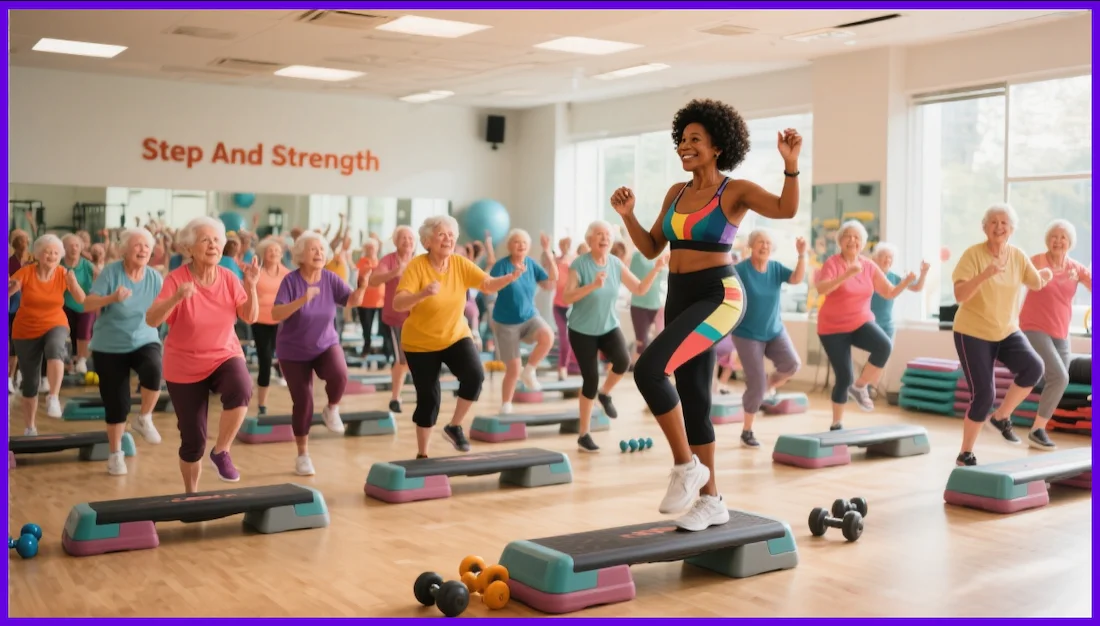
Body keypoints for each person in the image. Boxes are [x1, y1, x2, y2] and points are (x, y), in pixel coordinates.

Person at [612, 98, 801, 531]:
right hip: (679, 295)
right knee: (695, 400)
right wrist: (628, 216)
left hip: (719, 295)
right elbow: (651, 247)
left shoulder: (734, 191)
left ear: (718, 147)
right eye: (682, 138)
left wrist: (790, 166)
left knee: (649, 371)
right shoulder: (675, 193)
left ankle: (686, 466)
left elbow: (786, 209)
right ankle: (711, 500)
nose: (685, 145)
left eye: (695, 139)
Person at [393, 216, 523, 458]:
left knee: (474, 376)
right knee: (429, 399)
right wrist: (422, 294)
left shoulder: (460, 263)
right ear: (427, 241)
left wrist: (509, 278)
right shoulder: (417, 266)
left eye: (451, 235)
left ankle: (454, 426)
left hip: (455, 335)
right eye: (442, 234)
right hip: (420, 343)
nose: (448, 239)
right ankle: (423, 454)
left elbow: (487, 284)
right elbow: (398, 303)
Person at [146, 216, 259, 492]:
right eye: (205, 240)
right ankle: (191, 494)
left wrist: (252, 285)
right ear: (189, 248)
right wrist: (176, 298)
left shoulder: (229, 278)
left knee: (241, 387)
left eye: (217, 240)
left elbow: (250, 317)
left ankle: (221, 451)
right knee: (193, 441)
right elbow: (152, 320)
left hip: (223, 355)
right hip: (184, 365)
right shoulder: (176, 279)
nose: (213, 245)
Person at [561, 220, 666, 453]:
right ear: (590, 240)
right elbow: (567, 297)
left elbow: (639, 289)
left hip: (608, 326)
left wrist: (656, 269)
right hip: (582, 330)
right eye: (599, 234)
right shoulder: (579, 265)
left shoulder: (616, 264)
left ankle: (605, 394)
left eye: (607, 234)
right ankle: (584, 435)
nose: (604, 238)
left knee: (623, 361)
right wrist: (592, 286)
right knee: (590, 380)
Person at [269, 232, 369, 475]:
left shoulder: (330, 279)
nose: (319, 253)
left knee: (340, 373)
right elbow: (276, 313)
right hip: (293, 351)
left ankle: (332, 408)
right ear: (301, 255)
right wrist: (302, 300)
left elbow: (352, 301)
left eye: (322, 249)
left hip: (325, 344)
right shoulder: (291, 281)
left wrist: (363, 286)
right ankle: (303, 455)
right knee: (303, 401)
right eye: (313, 249)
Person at [814, 221, 915, 429]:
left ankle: (860, 387)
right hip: (832, 328)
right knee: (844, 377)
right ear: (840, 241)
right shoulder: (832, 263)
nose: (852, 240)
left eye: (857, 237)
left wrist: (905, 282)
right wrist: (846, 275)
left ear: (862, 243)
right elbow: (822, 289)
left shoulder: (869, 266)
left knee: (884, 346)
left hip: (860, 322)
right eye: (848, 236)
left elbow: (889, 292)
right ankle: (837, 422)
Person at [82, 228, 165, 475]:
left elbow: (163, 308)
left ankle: (144, 418)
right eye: (137, 245)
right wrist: (111, 298)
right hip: (110, 345)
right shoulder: (111, 272)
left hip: (144, 337)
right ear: (125, 250)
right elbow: (87, 303)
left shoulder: (155, 278)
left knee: (154, 368)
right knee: (117, 404)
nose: (143, 250)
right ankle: (115, 454)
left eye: (147, 246)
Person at [1018, 220, 1090, 451]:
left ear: (1070, 242)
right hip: (1033, 326)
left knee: (1057, 379)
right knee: (1060, 376)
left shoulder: (1075, 269)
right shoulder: (1036, 261)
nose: (1058, 241)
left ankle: (1035, 430)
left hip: (1061, 332)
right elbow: (1015, 281)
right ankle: (1037, 430)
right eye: (1054, 237)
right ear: (1047, 240)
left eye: (1063, 237)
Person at [730, 230, 807, 447]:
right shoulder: (740, 270)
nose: (764, 246)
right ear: (751, 246)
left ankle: (767, 386)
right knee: (755, 384)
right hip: (746, 334)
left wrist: (802, 255)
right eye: (760, 242)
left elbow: (796, 278)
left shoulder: (775, 268)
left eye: (768, 243)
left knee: (792, 364)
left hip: (774, 331)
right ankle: (747, 431)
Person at [9, 234, 87, 431]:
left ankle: (53, 396)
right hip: (25, 329)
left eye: (55, 253)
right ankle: (30, 427)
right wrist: (11, 288)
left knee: (55, 348)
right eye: (47, 252)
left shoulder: (63, 273)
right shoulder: (26, 272)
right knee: (30, 382)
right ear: (38, 254)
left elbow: (81, 299)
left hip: (55, 322)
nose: (52, 256)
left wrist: (73, 283)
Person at [489, 229, 559, 413]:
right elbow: (489, 287)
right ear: (509, 246)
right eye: (516, 242)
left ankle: (529, 371)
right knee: (513, 368)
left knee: (547, 336)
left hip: (529, 317)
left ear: (528, 247)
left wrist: (548, 252)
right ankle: (506, 404)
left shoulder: (532, 264)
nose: (520, 245)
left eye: (524, 243)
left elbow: (552, 281)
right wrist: (511, 277)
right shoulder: (501, 265)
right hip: (505, 322)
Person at [369, 225, 417, 413]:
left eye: (411, 238)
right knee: (402, 360)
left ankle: (416, 394)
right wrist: (395, 272)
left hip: (419, 318)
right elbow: (373, 280)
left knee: (418, 359)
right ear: (396, 241)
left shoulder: (420, 261)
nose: (408, 241)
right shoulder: (389, 260)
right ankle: (395, 398)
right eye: (403, 238)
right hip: (397, 318)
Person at [251, 236, 291, 414]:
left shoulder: (287, 274)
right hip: (260, 321)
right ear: (263, 254)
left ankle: (279, 366)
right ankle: (262, 404)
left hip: (281, 321)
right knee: (265, 360)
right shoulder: (257, 273)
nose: (274, 253)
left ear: (281, 254)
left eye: (276, 251)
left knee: (284, 356)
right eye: (270, 251)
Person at [869, 243, 930, 341]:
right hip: (870, 324)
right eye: (884, 256)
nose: (888, 260)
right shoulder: (869, 276)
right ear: (875, 259)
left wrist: (923, 273)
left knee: (886, 350)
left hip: (888, 325)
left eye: (890, 257)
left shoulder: (893, 276)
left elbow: (917, 287)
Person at [60, 234, 98, 375]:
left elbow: (100, 276)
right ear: (64, 248)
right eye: (70, 246)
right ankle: (72, 360)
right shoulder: (59, 265)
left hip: (85, 304)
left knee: (85, 331)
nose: (74, 248)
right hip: (65, 304)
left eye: (76, 245)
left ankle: (82, 360)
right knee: (70, 333)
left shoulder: (86, 264)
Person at [355, 236, 387, 361]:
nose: (371, 250)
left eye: (373, 247)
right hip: (365, 302)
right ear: (364, 249)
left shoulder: (381, 262)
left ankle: (386, 350)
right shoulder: (362, 262)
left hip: (381, 301)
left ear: (377, 249)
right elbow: (364, 273)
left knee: (384, 328)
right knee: (366, 328)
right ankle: (366, 348)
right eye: (368, 247)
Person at [551, 236, 577, 379]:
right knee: (564, 337)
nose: (565, 247)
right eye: (562, 244)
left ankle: (571, 365)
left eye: (567, 244)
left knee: (573, 337)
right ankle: (562, 367)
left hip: (572, 306)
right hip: (558, 306)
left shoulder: (575, 260)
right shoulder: (557, 260)